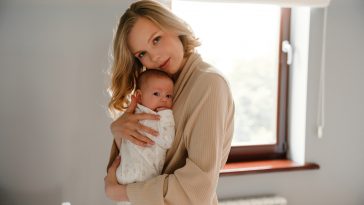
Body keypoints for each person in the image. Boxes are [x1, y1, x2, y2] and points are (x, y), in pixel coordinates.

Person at [104, 0, 234, 204]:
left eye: (156, 39)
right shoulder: (157, 89)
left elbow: (198, 189)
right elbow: (135, 162)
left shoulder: (209, 84)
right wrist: (118, 131)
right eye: (142, 54)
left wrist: (121, 193)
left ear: (174, 27)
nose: (154, 57)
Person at [116, 69, 175, 205]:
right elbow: (123, 141)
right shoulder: (132, 115)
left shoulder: (163, 119)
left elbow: (168, 141)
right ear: (140, 96)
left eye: (169, 96)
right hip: (124, 175)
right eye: (156, 94)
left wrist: (166, 116)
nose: (164, 99)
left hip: (146, 181)